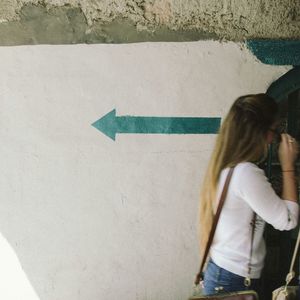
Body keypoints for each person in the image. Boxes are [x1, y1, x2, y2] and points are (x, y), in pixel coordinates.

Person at [199, 94, 299, 297]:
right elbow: (287, 221)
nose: (273, 139)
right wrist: (288, 166)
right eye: (274, 130)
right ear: (259, 132)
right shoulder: (246, 173)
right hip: (233, 282)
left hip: (223, 274)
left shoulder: (227, 168)